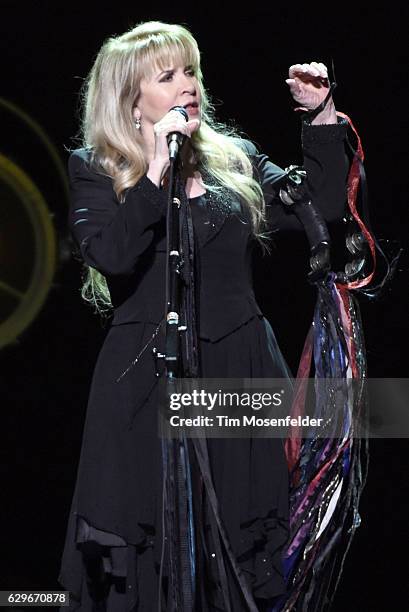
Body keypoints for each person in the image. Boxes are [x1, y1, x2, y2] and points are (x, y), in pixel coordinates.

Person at [58, 20, 350, 611]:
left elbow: (321, 209)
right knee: (151, 550)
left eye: (190, 70)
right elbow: (109, 253)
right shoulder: (97, 168)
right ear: (130, 100)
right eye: (167, 76)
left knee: (245, 541)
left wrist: (320, 119)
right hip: (145, 384)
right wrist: (156, 173)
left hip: (239, 368)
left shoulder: (233, 159)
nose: (188, 85)